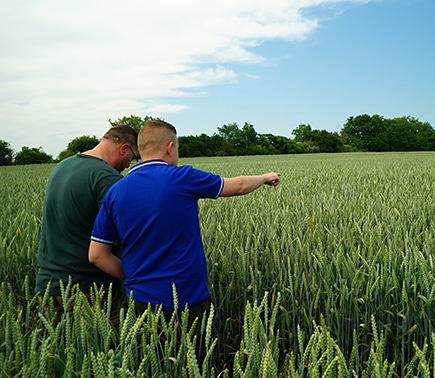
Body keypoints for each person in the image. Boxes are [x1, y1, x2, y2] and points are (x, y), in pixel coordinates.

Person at [88, 119, 280, 356]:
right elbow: (239, 185)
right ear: (169, 147)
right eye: (177, 148)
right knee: (196, 362)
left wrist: (135, 275)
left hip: (141, 303)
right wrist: (265, 177)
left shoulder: (115, 191)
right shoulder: (182, 177)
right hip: (189, 299)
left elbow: (96, 255)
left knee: (154, 364)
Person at [35, 124, 139, 326]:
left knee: (59, 352)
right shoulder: (107, 178)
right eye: (132, 157)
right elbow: (120, 235)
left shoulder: (62, 167)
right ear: (124, 148)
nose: (129, 165)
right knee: (106, 352)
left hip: (49, 285)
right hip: (91, 290)